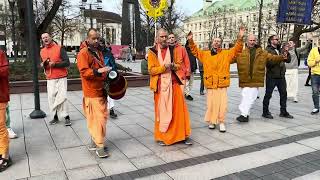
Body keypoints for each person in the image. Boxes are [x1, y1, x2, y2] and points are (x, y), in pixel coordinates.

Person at [187, 27, 245, 132]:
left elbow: (237, 49)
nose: (216, 43)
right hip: (211, 83)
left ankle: (221, 122)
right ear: (212, 43)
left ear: (221, 43)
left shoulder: (226, 54)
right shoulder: (205, 54)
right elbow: (195, 51)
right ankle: (212, 121)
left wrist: (240, 38)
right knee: (211, 104)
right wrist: (190, 40)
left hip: (221, 84)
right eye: (215, 41)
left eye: (218, 41)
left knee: (222, 105)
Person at [148, 28, 192, 146]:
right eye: (161, 37)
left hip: (174, 84)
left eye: (165, 37)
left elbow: (179, 65)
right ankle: (162, 137)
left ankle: (181, 136)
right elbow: (151, 70)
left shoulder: (173, 49)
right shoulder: (152, 51)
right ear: (157, 38)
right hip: (160, 87)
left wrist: (172, 66)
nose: (164, 39)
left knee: (179, 112)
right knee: (162, 112)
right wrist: (163, 67)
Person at [235, 34, 289, 122]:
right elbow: (233, 55)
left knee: (252, 97)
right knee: (245, 96)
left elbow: (272, 58)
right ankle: (244, 114)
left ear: (255, 41)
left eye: (253, 40)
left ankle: (245, 114)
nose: (252, 42)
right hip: (245, 78)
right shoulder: (242, 52)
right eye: (250, 40)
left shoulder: (262, 52)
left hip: (256, 78)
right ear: (247, 41)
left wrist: (282, 56)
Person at [77, 28, 111, 158]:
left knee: (100, 118)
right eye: (93, 38)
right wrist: (99, 71)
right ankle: (100, 146)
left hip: (101, 89)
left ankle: (95, 141)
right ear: (87, 39)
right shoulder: (83, 53)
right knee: (98, 119)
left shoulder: (98, 52)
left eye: (97, 38)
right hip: (91, 91)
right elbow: (84, 72)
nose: (96, 41)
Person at [40, 32, 71, 126]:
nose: (45, 39)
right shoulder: (42, 51)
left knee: (62, 97)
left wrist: (55, 64)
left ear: (51, 37)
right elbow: (43, 64)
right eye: (43, 38)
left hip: (61, 77)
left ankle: (66, 117)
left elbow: (67, 62)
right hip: (50, 78)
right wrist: (43, 65)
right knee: (51, 98)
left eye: (46, 37)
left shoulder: (59, 48)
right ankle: (55, 117)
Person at [98, 38, 132, 119]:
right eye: (100, 44)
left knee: (110, 94)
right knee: (100, 95)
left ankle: (111, 109)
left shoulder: (108, 53)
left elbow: (113, 65)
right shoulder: (95, 53)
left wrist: (113, 74)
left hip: (108, 76)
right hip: (98, 77)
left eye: (102, 43)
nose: (100, 45)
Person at [262, 35, 293, 119]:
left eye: (278, 39)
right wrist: (280, 57)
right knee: (268, 94)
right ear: (271, 41)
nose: (278, 40)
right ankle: (265, 112)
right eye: (276, 39)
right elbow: (269, 63)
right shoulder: (267, 50)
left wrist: (286, 52)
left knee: (283, 94)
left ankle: (283, 112)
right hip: (271, 76)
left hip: (281, 76)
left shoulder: (280, 49)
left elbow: (288, 60)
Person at [0, 48, 12, 171]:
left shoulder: (0, 53)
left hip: (0, 96)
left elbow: (4, 71)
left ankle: (6, 156)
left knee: (1, 126)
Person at [307, 44, 320, 115]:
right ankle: (316, 107)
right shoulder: (314, 50)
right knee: (315, 92)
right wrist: (316, 61)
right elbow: (309, 63)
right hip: (315, 74)